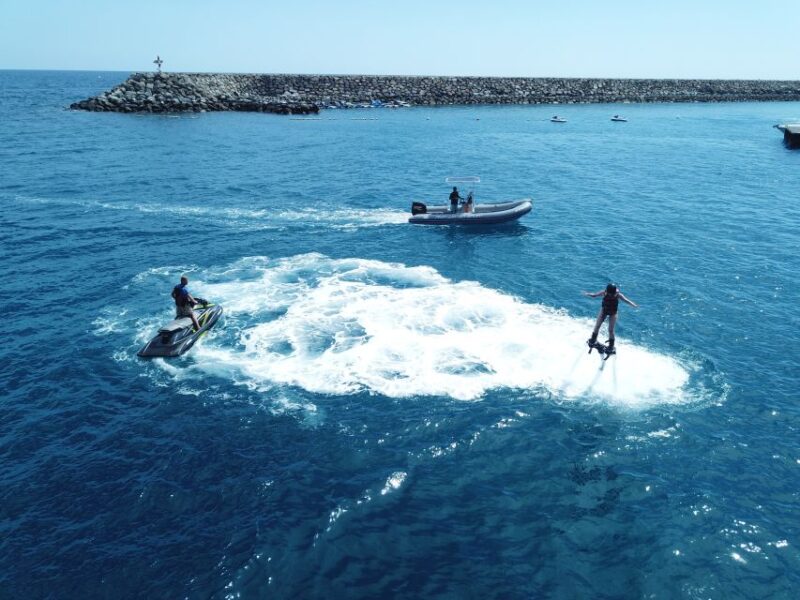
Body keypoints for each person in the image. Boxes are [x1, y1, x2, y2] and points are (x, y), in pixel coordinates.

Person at [583, 283, 638, 351]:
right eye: (610, 293)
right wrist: (587, 294)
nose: (611, 295)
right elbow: (595, 295)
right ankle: (593, 340)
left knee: (610, 330)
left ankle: (611, 347)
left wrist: (633, 305)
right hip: (604, 311)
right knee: (597, 326)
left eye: (612, 294)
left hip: (613, 313)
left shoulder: (618, 295)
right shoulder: (604, 292)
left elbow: (626, 300)